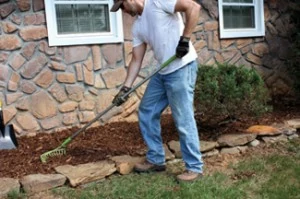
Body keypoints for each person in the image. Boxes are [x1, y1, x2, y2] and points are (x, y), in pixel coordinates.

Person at [110, 0, 203, 182]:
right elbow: (136, 60)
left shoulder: (159, 2)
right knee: (147, 110)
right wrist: (125, 88)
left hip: (182, 67)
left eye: (122, 7)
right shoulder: (137, 26)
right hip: (163, 72)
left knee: (183, 118)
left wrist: (185, 39)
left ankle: (194, 167)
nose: (123, 12)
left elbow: (194, 7)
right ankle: (156, 159)